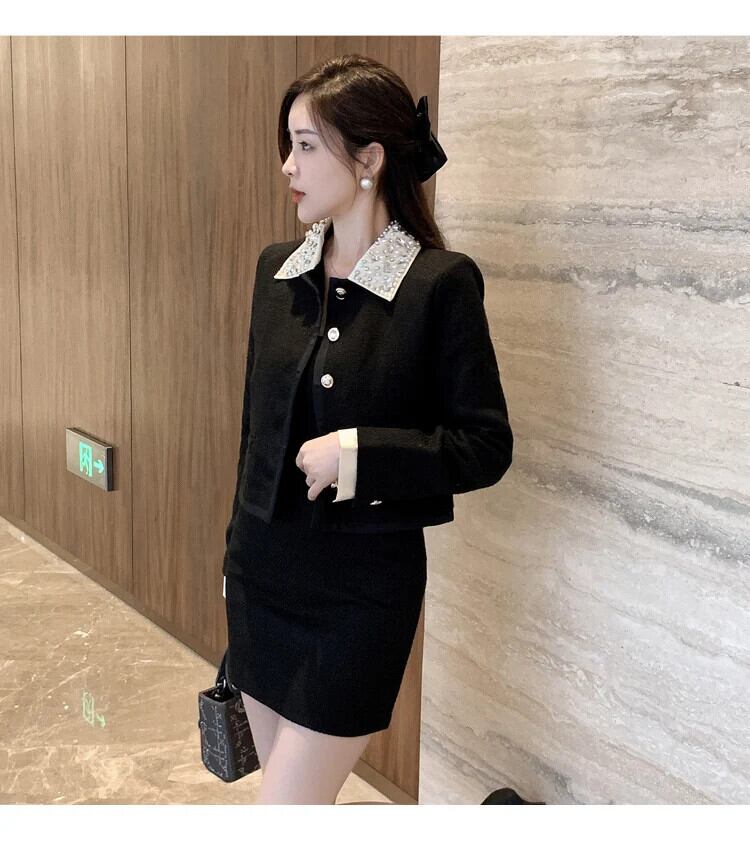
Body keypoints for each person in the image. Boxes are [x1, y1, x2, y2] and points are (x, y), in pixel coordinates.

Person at [222, 53, 513, 805]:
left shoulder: (438, 285)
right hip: (259, 583)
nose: (287, 166)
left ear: (369, 160)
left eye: (305, 146)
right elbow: (255, 436)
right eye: (288, 145)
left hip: (358, 602)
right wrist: (231, 562)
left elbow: (485, 446)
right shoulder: (276, 272)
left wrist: (358, 455)